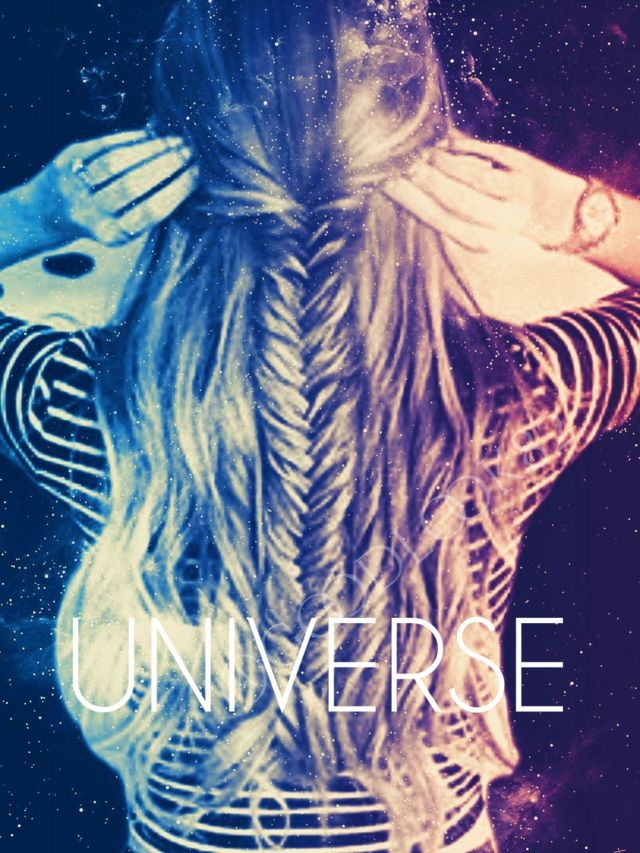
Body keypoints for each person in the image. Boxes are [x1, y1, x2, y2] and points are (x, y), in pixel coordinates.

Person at [0, 2, 639, 851]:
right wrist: (576, 213)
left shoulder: (80, 402)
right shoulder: (520, 398)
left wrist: (39, 212)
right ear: (429, 159)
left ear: (168, 168)